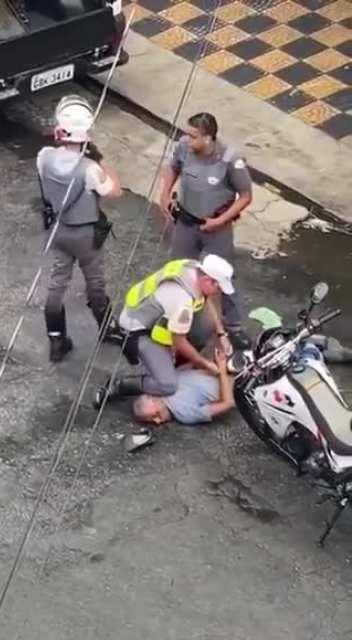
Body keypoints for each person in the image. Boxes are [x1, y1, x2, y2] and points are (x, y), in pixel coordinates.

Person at [37, 94, 123, 362]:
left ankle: (56, 339)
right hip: (86, 235)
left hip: (58, 230)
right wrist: (101, 160)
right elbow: (114, 191)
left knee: (56, 284)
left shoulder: (44, 157)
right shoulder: (90, 169)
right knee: (94, 283)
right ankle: (107, 328)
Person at [159, 112, 252, 350]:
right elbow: (172, 167)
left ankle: (234, 327)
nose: (187, 140)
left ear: (209, 138)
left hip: (215, 228)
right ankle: (173, 316)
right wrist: (164, 193)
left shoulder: (230, 160)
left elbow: (245, 196)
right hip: (186, 223)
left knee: (224, 277)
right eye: (187, 134)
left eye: (193, 136)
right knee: (177, 272)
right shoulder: (183, 148)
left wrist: (221, 219)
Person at [93, 254, 235, 408]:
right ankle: (120, 385)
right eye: (218, 288)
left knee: (204, 328)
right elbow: (179, 341)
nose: (218, 292)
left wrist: (221, 334)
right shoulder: (182, 300)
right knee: (168, 385)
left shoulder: (191, 267)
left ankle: (169, 365)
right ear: (208, 280)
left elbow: (204, 300)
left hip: (151, 315)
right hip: (136, 329)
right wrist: (205, 364)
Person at [133, 348, 234, 425]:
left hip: (229, 369)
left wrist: (217, 361)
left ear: (152, 397)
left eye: (153, 416)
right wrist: (221, 371)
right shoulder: (184, 413)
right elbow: (227, 403)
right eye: (152, 419)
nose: (157, 421)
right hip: (238, 387)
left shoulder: (168, 381)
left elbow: (195, 364)